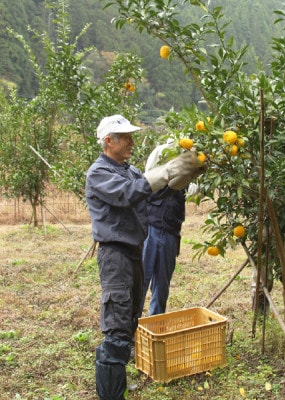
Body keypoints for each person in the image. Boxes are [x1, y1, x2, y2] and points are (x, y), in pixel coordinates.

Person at [85, 114, 205, 400]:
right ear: (108, 141)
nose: (131, 142)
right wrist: (166, 171)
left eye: (131, 136)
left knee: (130, 322)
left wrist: (181, 176)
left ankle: (118, 386)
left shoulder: (130, 170)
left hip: (134, 253)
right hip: (115, 255)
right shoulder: (99, 173)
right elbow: (128, 194)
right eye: (125, 137)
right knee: (116, 329)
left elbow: (148, 194)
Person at [139, 139, 194, 317]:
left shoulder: (190, 159)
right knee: (141, 280)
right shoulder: (160, 152)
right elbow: (148, 177)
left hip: (171, 230)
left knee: (162, 286)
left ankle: (155, 325)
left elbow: (194, 189)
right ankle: (132, 327)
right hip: (151, 228)